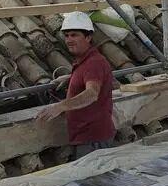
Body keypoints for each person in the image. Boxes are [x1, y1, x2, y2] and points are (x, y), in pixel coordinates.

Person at [36, 11, 115, 155]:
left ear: (88, 37)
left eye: (74, 35)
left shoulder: (93, 63)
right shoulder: (85, 61)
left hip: (93, 140)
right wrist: (71, 78)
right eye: (66, 36)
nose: (69, 40)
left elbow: (91, 94)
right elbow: (89, 78)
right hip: (87, 137)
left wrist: (60, 107)